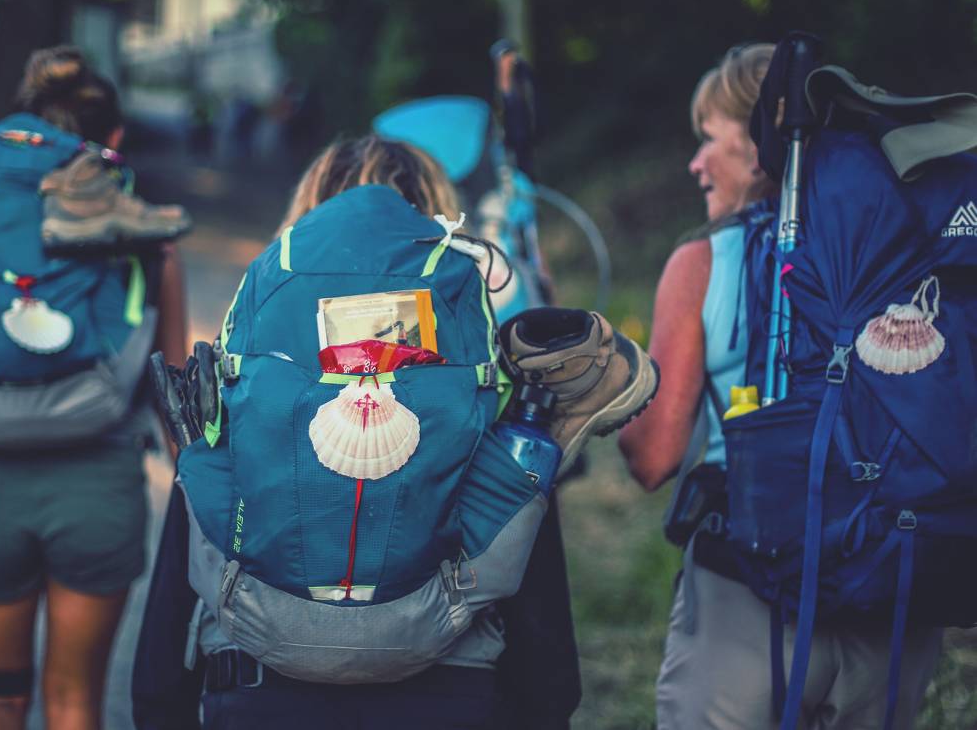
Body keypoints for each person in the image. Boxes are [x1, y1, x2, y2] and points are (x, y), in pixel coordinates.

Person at [133, 134, 656, 730]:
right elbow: (544, 656)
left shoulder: (247, 379)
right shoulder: (477, 376)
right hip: (448, 701)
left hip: (257, 699)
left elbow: (168, 630)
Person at [618, 43, 943, 729]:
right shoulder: (915, 252)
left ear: (760, 143)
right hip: (896, 583)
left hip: (749, 592)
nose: (696, 162)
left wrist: (608, 381)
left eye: (709, 139)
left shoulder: (704, 259)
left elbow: (653, 457)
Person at [0, 46, 187, 730]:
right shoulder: (139, 230)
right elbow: (174, 385)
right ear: (111, 140)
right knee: (73, 702)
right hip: (96, 486)